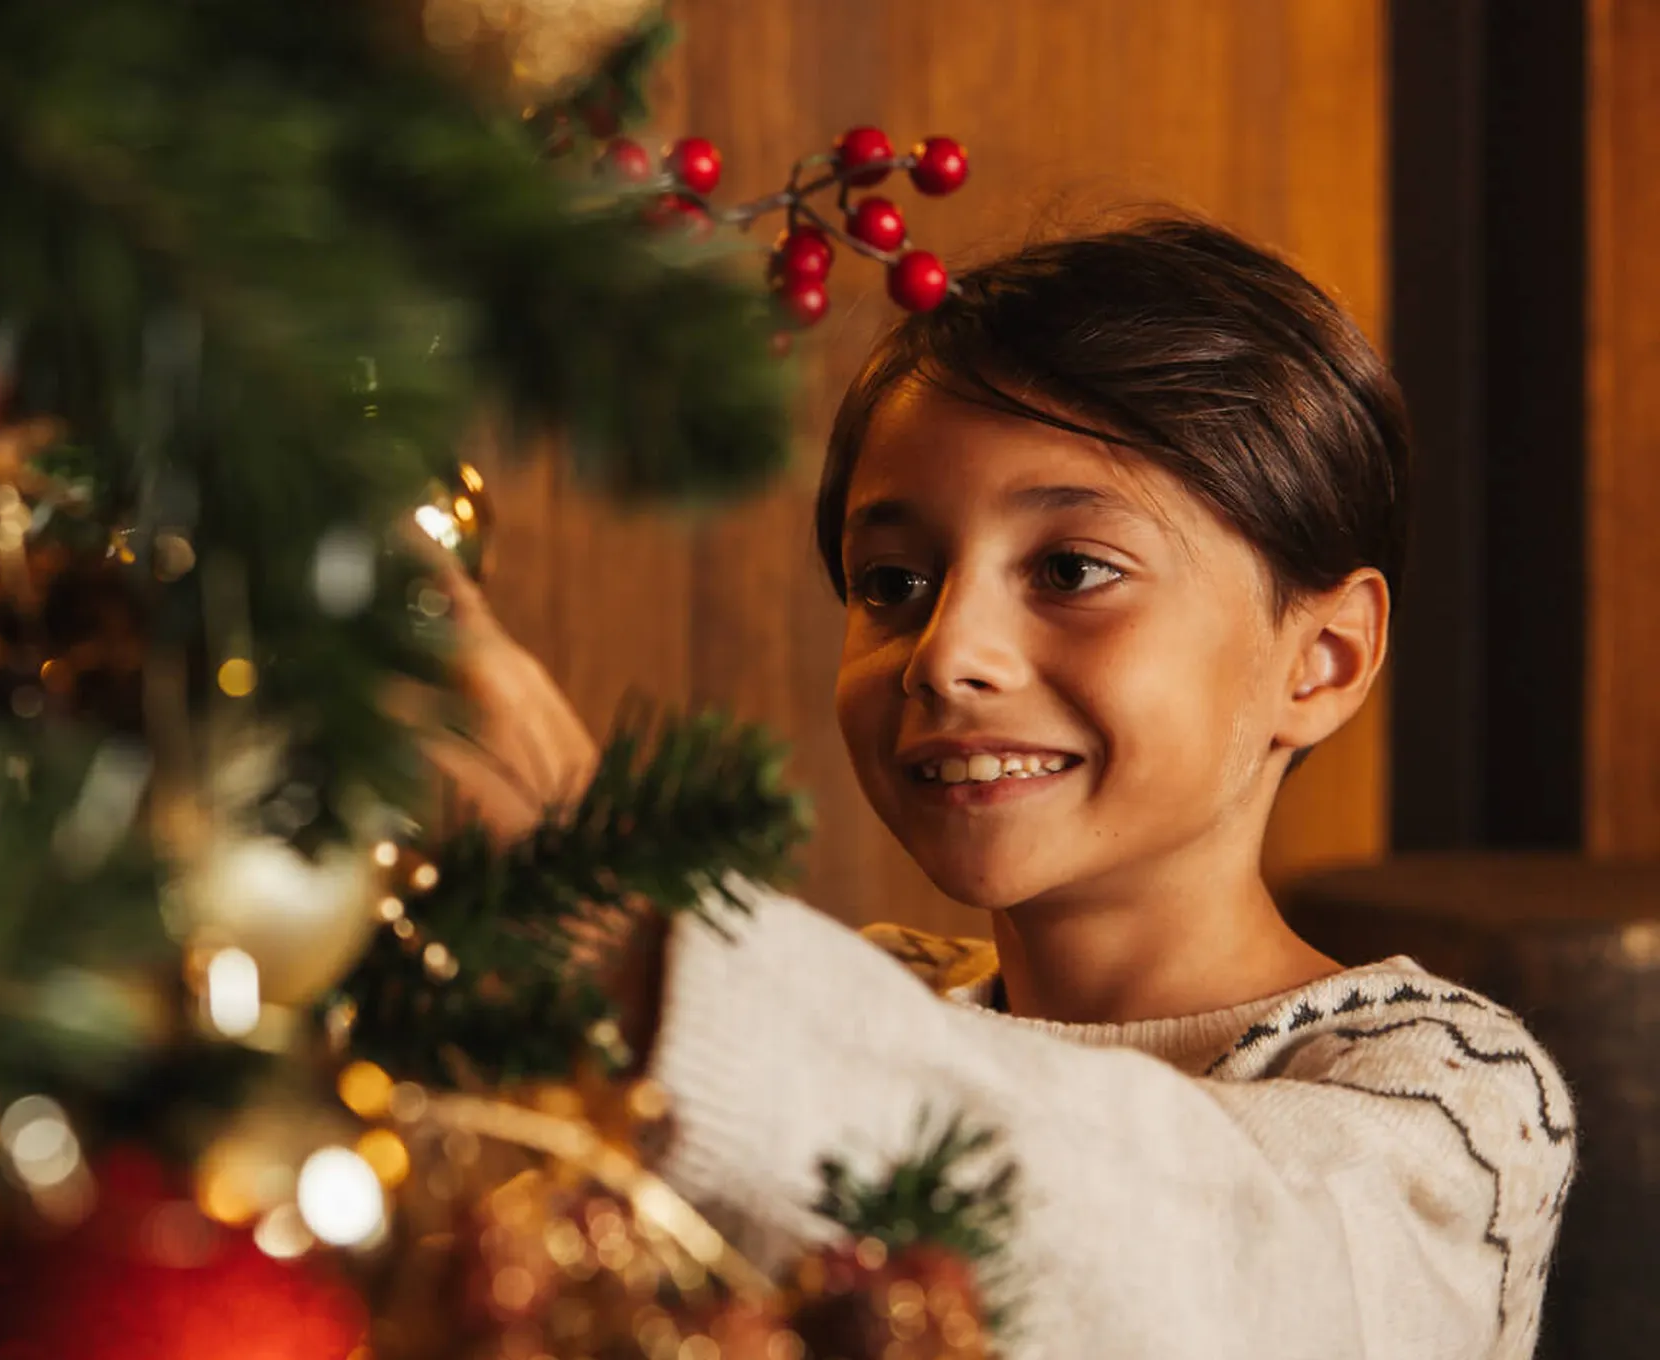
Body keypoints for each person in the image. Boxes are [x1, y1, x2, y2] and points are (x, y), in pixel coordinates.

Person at [432, 217, 1574, 1359]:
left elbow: (1225, 1276)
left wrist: (644, 948)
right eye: (893, 581)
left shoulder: (1452, 1101)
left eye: (1072, 569)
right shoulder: (878, 998)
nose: (944, 651)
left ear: (1321, 660)